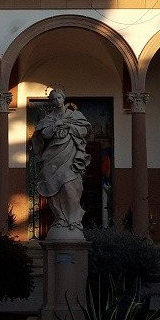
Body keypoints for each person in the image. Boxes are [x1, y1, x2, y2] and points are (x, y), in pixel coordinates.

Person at [32, 87, 91, 233]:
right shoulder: (48, 118)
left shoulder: (75, 115)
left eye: (59, 98)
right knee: (52, 187)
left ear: (63, 98)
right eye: (53, 99)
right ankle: (60, 219)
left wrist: (70, 126)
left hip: (70, 155)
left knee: (69, 186)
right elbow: (43, 134)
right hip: (52, 156)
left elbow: (85, 130)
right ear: (51, 102)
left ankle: (74, 220)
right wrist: (55, 126)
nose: (57, 101)